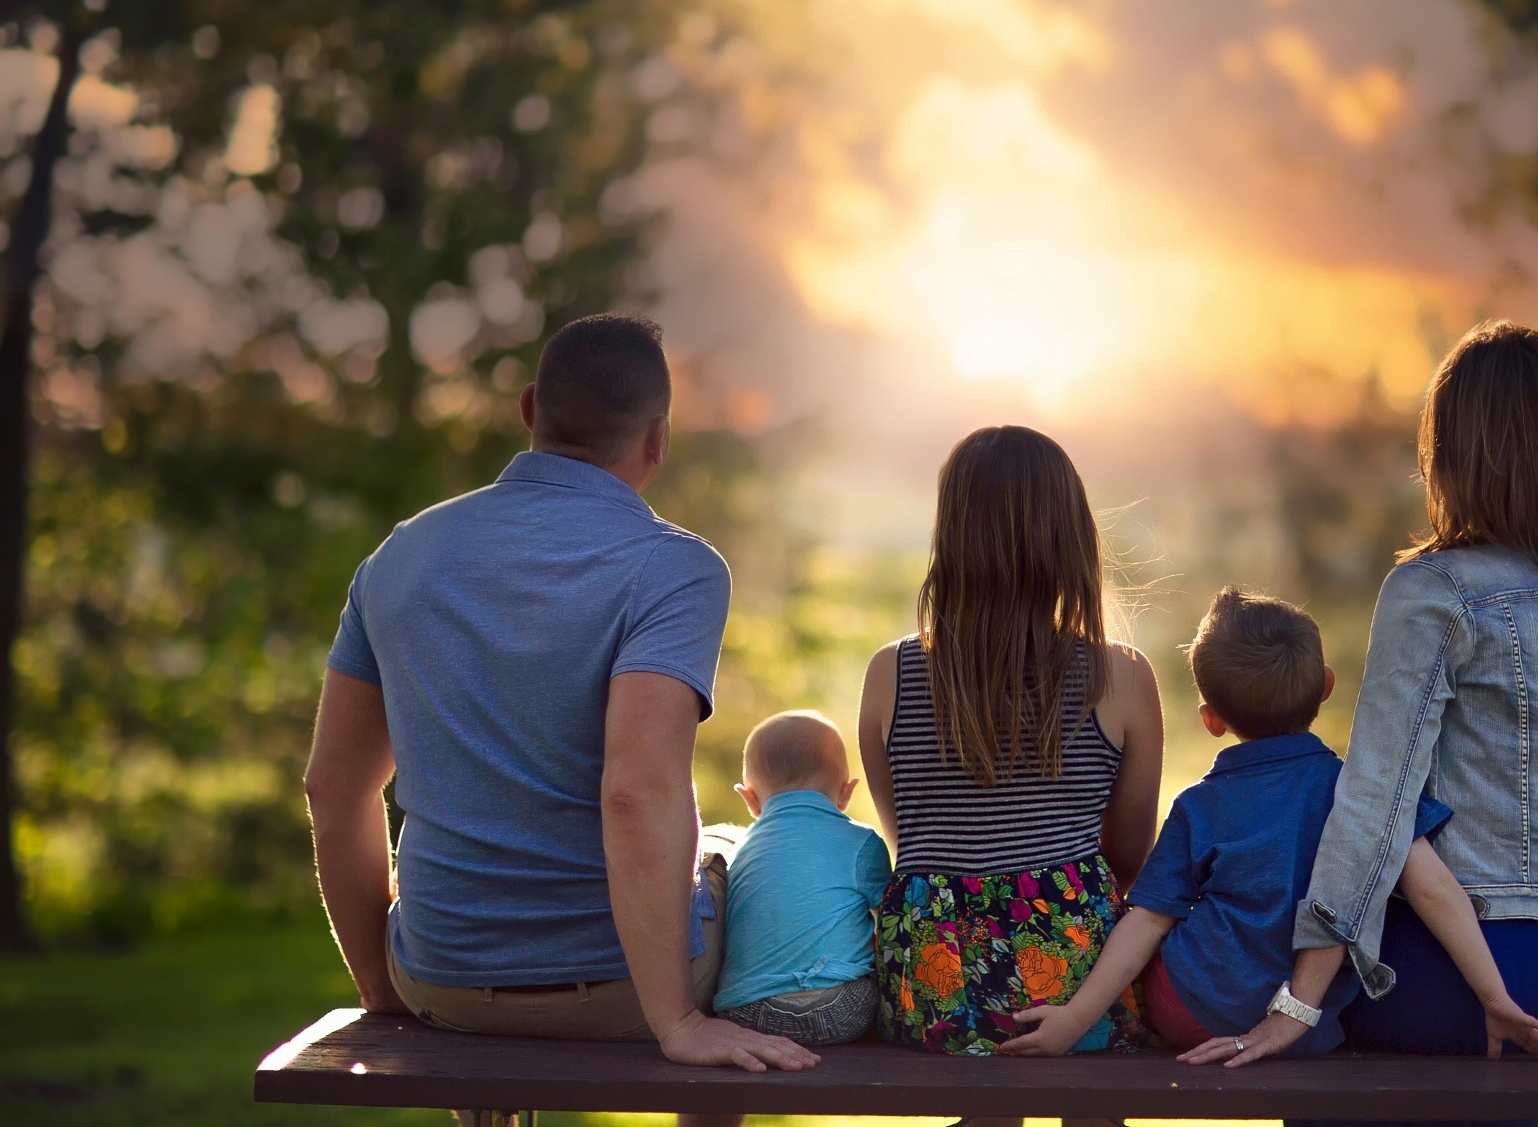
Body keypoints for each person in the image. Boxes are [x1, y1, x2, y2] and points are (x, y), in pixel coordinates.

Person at [304, 313, 819, 1082]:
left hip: (437, 980)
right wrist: (677, 1021)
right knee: (739, 852)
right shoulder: (674, 568)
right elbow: (636, 792)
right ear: (657, 440)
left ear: (528, 409)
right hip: (619, 994)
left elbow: (333, 785)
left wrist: (384, 987)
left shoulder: (399, 555)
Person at [1187, 321, 1538, 1096]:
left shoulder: (1434, 590)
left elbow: (1375, 801)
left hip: (1475, 973)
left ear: (1454, 451)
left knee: (1325, 1049)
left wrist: (1296, 1005)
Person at [1000, 588, 1538, 1062]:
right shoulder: (1360, 793)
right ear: (1327, 686)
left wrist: (1075, 1020)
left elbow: (1148, 921)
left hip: (1185, 1009)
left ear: (1211, 720)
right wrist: (1495, 998)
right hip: (1307, 1024)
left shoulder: (1200, 806)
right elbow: (1433, 888)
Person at [858, 425, 1165, 1061]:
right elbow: (1130, 857)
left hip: (936, 975)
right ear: (1073, 538)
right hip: (1070, 966)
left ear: (951, 539)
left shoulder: (890, 672)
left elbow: (908, 839)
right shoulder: (1123, 676)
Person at [714, 711, 891, 1046]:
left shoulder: (741, 849)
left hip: (748, 1013)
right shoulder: (862, 842)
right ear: (846, 792)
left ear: (748, 799)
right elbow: (894, 921)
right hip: (841, 1010)